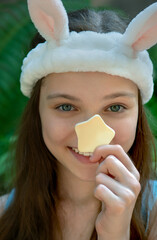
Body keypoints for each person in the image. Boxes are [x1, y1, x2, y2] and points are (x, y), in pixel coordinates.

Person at [0, 0, 157, 239]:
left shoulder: (153, 215)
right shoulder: (3, 216)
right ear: (38, 112)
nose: (90, 133)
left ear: (138, 114)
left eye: (115, 107)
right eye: (66, 106)